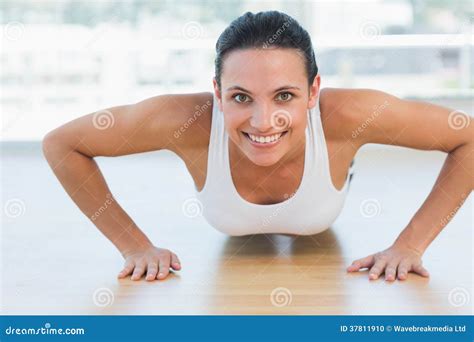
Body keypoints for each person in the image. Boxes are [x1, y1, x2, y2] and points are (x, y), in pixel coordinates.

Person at [42, 11, 473, 282]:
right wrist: (133, 245)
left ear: (313, 90)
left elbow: (467, 137)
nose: (263, 121)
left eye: (284, 95)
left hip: (325, 187)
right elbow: (62, 144)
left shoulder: (351, 113)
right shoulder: (184, 120)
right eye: (241, 97)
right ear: (217, 90)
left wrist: (410, 245)